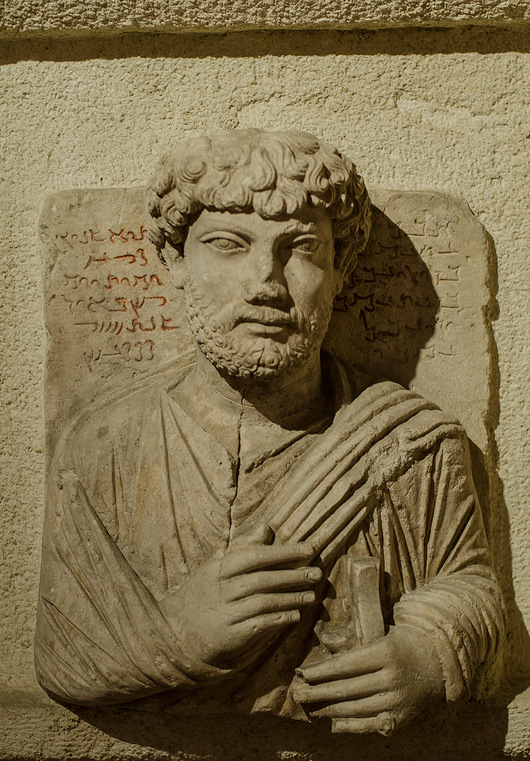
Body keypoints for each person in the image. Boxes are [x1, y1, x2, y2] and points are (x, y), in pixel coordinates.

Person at [35, 129, 504, 735]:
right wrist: (175, 637)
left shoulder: (413, 443)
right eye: (227, 245)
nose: (265, 283)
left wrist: (426, 656)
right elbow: (63, 653)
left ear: (340, 268)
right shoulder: (102, 446)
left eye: (301, 247)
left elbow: (471, 587)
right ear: (175, 262)